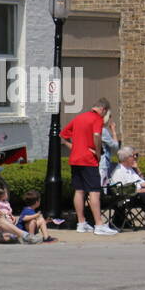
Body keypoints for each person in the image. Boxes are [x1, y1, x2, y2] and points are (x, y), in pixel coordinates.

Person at [60, 99, 116, 235]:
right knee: (94, 191)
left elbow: (63, 135)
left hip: (76, 159)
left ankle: (81, 223)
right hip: (88, 160)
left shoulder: (79, 117)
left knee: (79, 191)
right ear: (103, 109)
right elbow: (97, 136)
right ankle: (99, 224)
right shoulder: (96, 118)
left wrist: (74, 148)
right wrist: (97, 153)